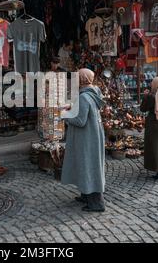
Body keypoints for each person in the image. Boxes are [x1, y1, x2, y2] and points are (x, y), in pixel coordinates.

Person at [61, 68, 106, 212]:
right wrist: (72, 107)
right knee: (87, 164)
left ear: (81, 80)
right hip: (92, 135)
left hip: (87, 138)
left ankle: (96, 204)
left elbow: (80, 120)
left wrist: (65, 115)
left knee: (88, 166)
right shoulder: (93, 93)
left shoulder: (84, 97)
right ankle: (86, 194)